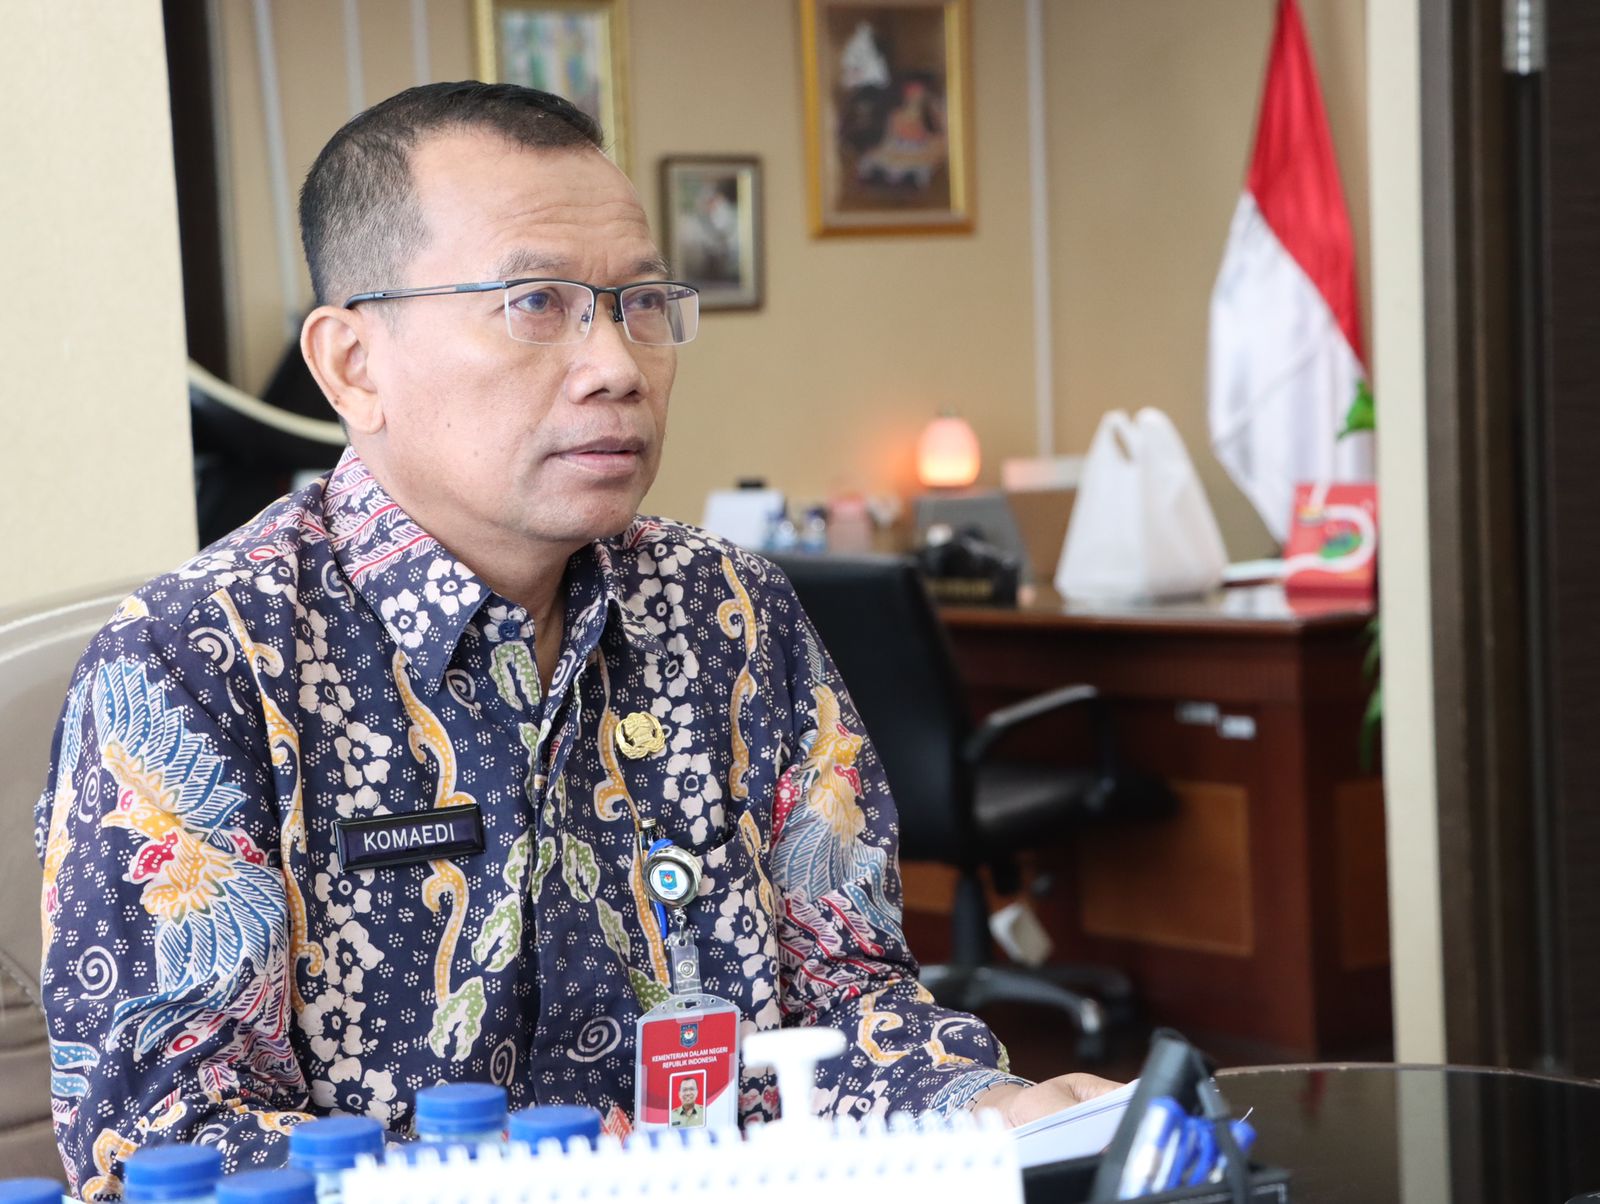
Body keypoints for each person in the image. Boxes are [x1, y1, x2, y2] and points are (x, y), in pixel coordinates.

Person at [34, 82, 1114, 1199]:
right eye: (537, 303)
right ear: (353, 363)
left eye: (639, 302)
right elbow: (163, 1144)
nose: (617, 365)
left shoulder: (731, 612)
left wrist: (985, 1110)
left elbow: (846, 998)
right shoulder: (197, 661)